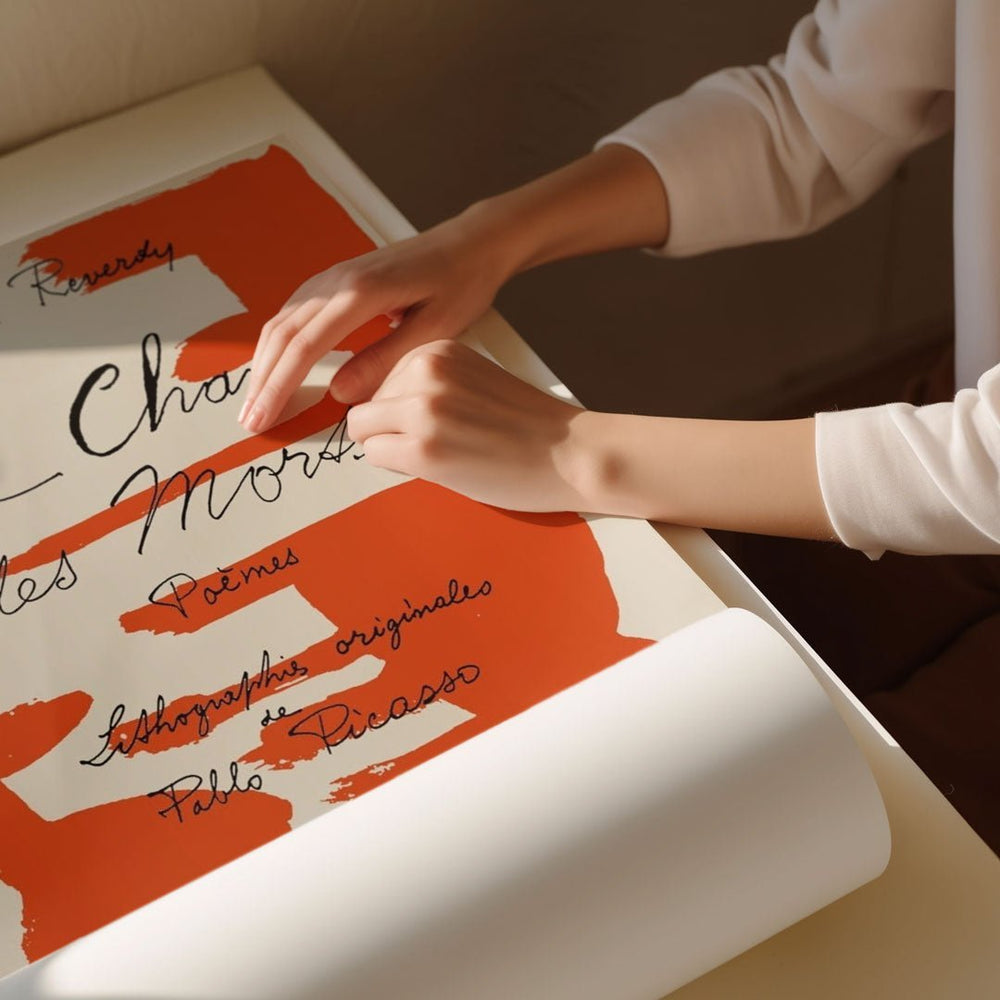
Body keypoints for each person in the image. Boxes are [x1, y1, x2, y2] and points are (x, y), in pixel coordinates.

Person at [239, 0, 1000, 850]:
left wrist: (574, 449)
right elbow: (825, 114)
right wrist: (486, 239)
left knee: (798, 837)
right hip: (948, 429)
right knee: (681, 693)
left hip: (966, 463)